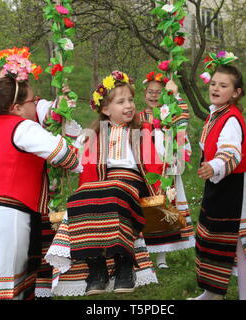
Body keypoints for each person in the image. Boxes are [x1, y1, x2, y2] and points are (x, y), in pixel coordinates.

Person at [0, 47, 81, 300]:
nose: (36, 105)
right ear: (16, 107)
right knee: (2, 291)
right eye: (33, 102)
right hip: (4, 214)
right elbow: (65, 156)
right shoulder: (23, 127)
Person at [45, 70, 160, 296]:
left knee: (114, 191)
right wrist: (64, 110)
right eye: (121, 102)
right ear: (106, 110)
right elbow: (72, 143)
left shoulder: (141, 129)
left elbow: (156, 155)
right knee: (78, 199)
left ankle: (124, 262)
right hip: (103, 182)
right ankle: (96, 267)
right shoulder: (95, 134)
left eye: (130, 100)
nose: (128, 106)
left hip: (130, 179)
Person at [192, 52, 246, 300]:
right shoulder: (216, 113)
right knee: (212, 237)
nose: (216, 88)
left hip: (235, 185)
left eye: (224, 85)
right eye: (214, 84)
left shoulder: (231, 119)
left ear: (237, 92)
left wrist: (214, 166)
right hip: (218, 184)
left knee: (237, 242)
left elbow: (231, 152)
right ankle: (212, 292)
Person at [137, 71, 195, 269]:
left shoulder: (168, 113)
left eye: (158, 92)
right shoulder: (139, 117)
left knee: (163, 207)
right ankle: (143, 255)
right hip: (145, 170)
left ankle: (161, 257)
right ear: (144, 93)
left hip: (164, 168)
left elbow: (182, 124)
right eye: (150, 92)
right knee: (145, 209)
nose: (153, 96)